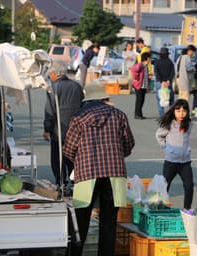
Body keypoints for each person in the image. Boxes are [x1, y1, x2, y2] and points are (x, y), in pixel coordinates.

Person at [63, 81, 135, 256]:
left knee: (80, 222)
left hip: (87, 173)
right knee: (108, 223)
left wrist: (80, 161)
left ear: (86, 99)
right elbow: (128, 144)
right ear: (104, 98)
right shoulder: (119, 115)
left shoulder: (78, 118)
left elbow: (68, 149)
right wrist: (117, 155)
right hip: (114, 173)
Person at [43, 61, 84, 190]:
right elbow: (83, 105)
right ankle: (75, 182)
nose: (49, 76)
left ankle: (61, 182)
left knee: (57, 157)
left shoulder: (53, 88)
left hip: (58, 130)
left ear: (55, 74)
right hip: (76, 129)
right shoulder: (76, 86)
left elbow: (50, 110)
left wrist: (47, 129)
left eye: (50, 73)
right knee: (73, 156)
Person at [155, 99, 193, 210]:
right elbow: (158, 135)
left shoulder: (189, 124)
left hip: (185, 162)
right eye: (178, 111)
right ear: (174, 111)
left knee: (189, 186)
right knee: (165, 186)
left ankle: (187, 209)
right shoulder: (169, 124)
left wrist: (186, 150)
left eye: (184, 111)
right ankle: (161, 208)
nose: (181, 114)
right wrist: (166, 147)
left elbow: (186, 137)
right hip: (171, 161)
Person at [154, 47, 175, 117]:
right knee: (171, 100)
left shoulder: (157, 61)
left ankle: (162, 117)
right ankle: (172, 116)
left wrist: (161, 81)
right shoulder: (170, 62)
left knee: (160, 100)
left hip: (159, 83)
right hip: (168, 83)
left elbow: (156, 72)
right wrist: (168, 80)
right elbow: (173, 72)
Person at [131, 52, 151, 119]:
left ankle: (140, 114)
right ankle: (137, 115)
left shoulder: (146, 66)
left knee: (142, 100)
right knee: (139, 100)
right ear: (146, 58)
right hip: (139, 86)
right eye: (149, 58)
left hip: (143, 86)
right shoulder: (140, 65)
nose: (150, 60)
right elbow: (133, 70)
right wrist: (136, 78)